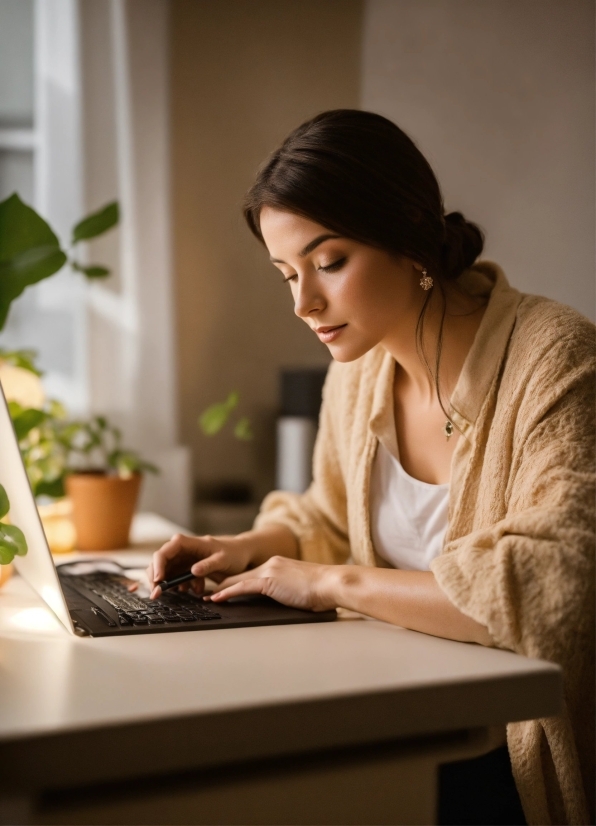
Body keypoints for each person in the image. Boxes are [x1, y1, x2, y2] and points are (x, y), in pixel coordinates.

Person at [147, 111, 594, 825]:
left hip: (507, 755)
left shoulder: (557, 357)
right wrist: (250, 549)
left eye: (328, 263)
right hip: (395, 722)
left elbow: (554, 588)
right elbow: (327, 513)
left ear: (410, 235)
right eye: (287, 274)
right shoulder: (357, 372)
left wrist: (330, 582)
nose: (303, 303)